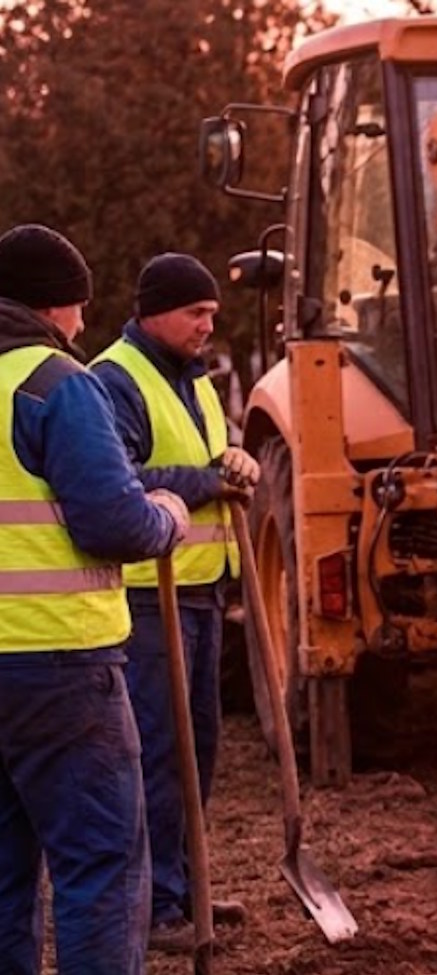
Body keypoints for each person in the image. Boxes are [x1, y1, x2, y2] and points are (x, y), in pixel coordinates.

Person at [0, 224, 190, 974]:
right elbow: (113, 520)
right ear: (60, 305)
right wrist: (169, 516)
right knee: (100, 866)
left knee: (4, 872)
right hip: (61, 664)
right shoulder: (55, 382)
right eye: (80, 308)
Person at [91, 253, 259, 953]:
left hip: (201, 591)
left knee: (203, 749)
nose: (207, 324)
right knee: (164, 751)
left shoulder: (198, 381)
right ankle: (159, 905)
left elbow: (210, 459)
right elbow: (119, 478)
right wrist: (204, 480)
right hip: (151, 593)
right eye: (196, 312)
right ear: (155, 311)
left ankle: (186, 885)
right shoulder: (114, 380)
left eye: (213, 313)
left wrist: (237, 462)